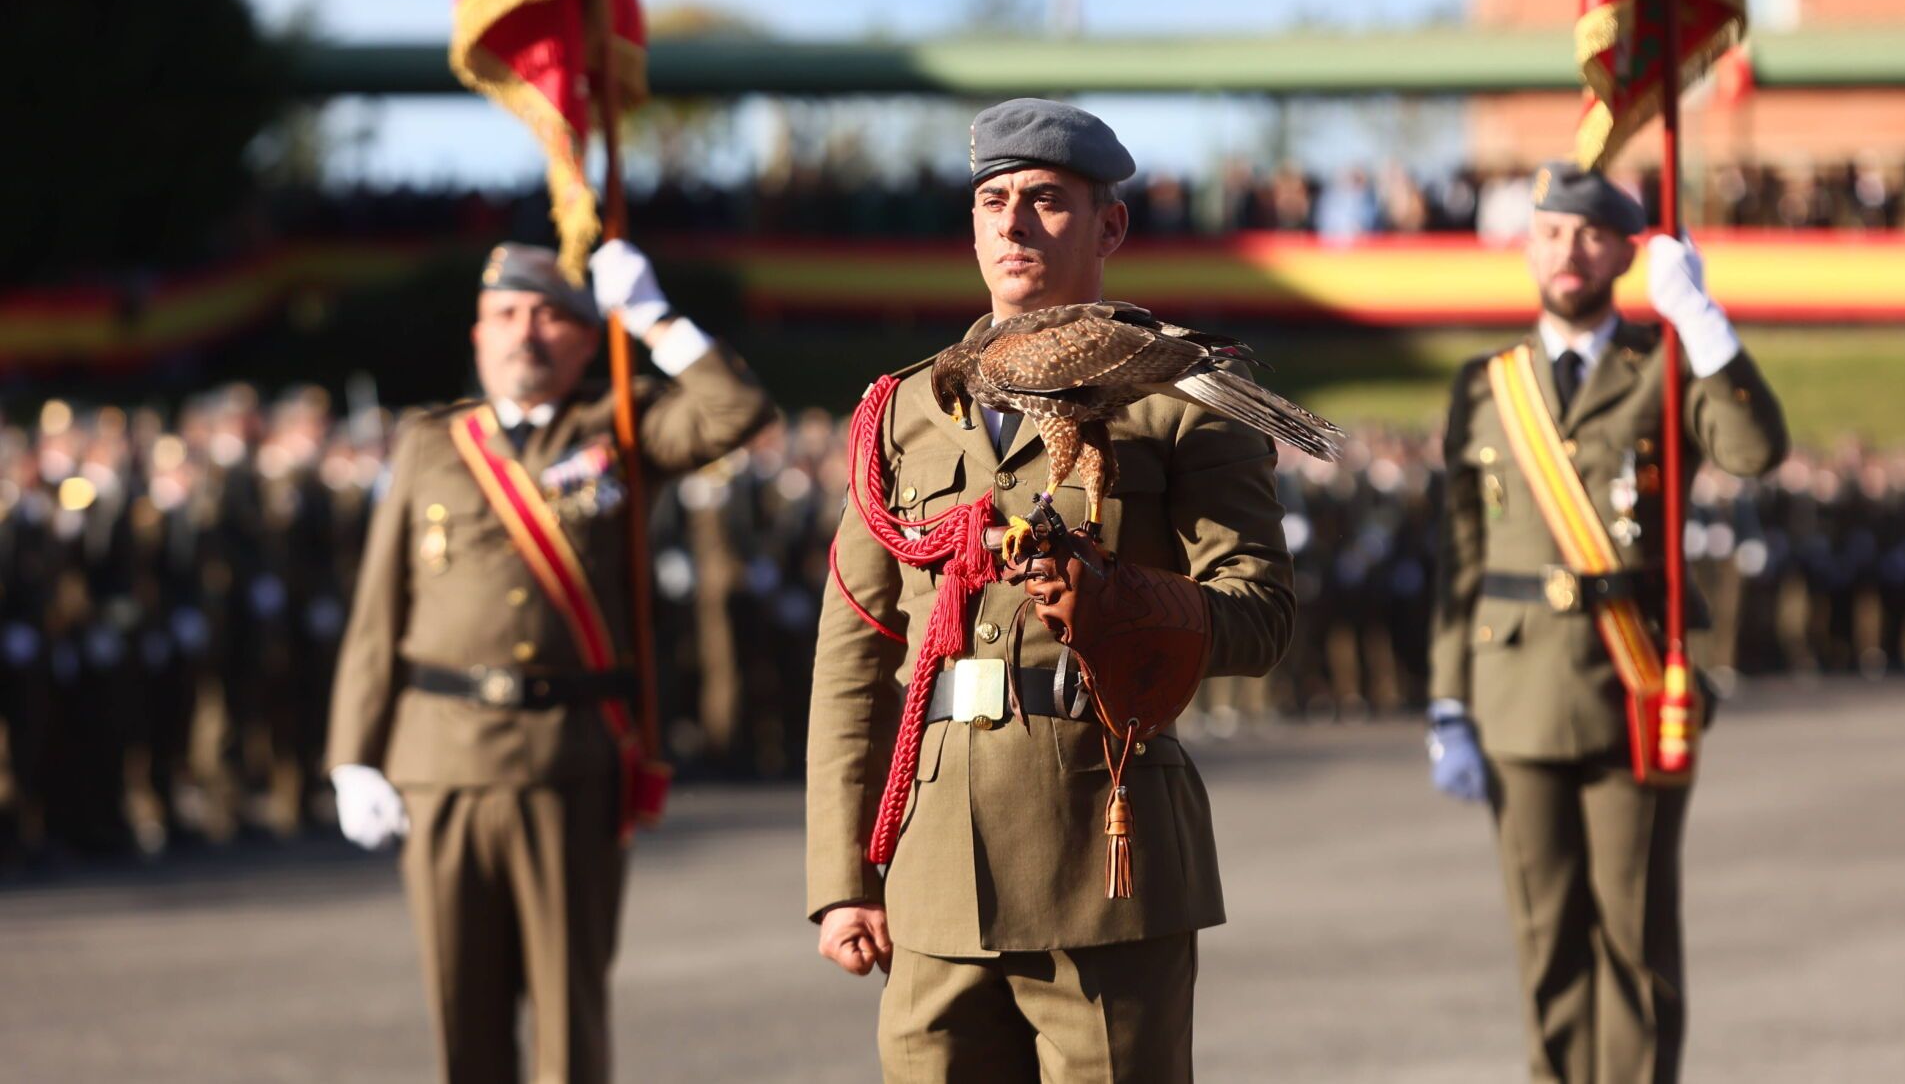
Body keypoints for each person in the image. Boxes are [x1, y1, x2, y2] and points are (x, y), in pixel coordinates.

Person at [805, 98, 1295, 1082]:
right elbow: (856, 651)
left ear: (1109, 226)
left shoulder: (1180, 393)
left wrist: (1131, 604)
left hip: (1101, 849)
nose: (1013, 224)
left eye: (1045, 200)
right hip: (933, 860)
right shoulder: (901, 412)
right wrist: (841, 875)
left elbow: (1261, 615)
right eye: (992, 200)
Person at [324, 239, 773, 1084]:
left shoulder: (622, 427)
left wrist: (655, 317)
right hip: (441, 756)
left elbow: (736, 412)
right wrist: (354, 754)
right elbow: (379, 612)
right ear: (478, 332)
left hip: (574, 756)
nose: (525, 333)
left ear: (584, 336)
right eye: (506, 315)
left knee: (570, 1012)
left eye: (551, 315)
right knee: (463, 1012)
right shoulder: (430, 442)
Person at [1426, 161, 1789, 1083]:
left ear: (1627, 250)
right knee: (1544, 936)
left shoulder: (1664, 367)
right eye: (1551, 232)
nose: (1569, 251)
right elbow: (1459, 554)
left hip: (1635, 683)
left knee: (1633, 935)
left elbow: (1755, 450)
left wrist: (1701, 319)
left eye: (1591, 234)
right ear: (1527, 248)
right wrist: (1446, 700)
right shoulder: (1485, 383)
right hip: (1512, 691)